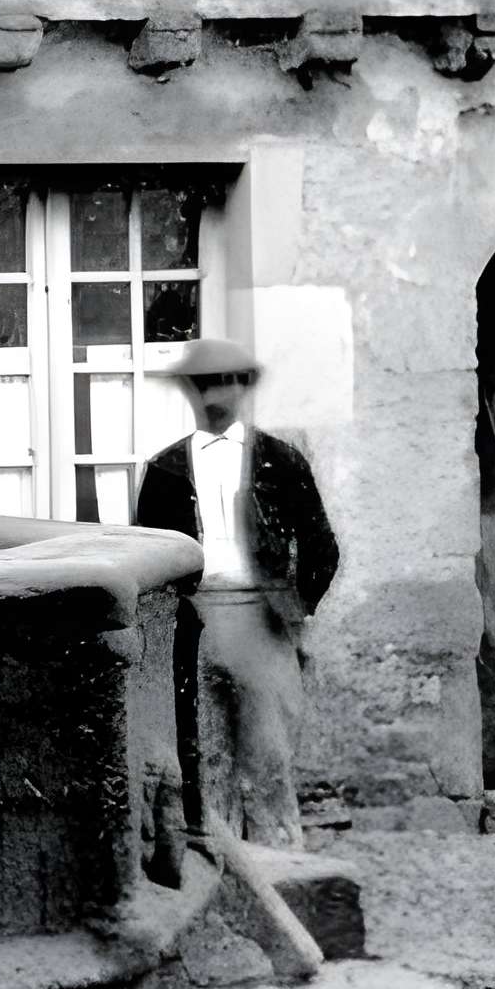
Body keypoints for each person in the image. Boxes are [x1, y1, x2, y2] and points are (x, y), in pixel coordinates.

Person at [133, 337, 339, 849]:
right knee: (200, 751)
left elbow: (322, 547)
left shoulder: (280, 460)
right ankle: (217, 860)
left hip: (261, 620)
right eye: (202, 383)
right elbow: (148, 560)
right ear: (189, 391)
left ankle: (281, 856)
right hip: (194, 621)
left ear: (244, 386)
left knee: (269, 753)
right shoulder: (165, 470)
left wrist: (294, 610)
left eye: (224, 380)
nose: (213, 394)